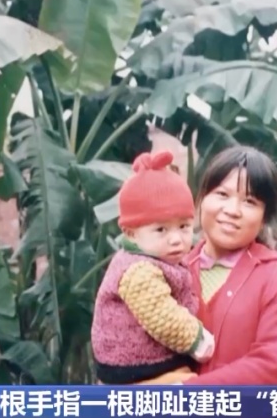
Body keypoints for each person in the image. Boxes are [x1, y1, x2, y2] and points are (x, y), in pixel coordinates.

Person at [141, 145, 277, 385]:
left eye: (249, 201)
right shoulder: (163, 271)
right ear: (201, 198)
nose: (232, 210)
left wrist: (181, 392)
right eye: (222, 194)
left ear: (264, 217)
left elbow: (272, 365)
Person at [90, 150, 215, 385]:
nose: (176, 239)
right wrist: (199, 341)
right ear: (131, 233)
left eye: (184, 226)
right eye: (161, 230)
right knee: (187, 384)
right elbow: (163, 317)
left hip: (145, 360)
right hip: (133, 366)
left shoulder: (160, 257)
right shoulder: (138, 270)